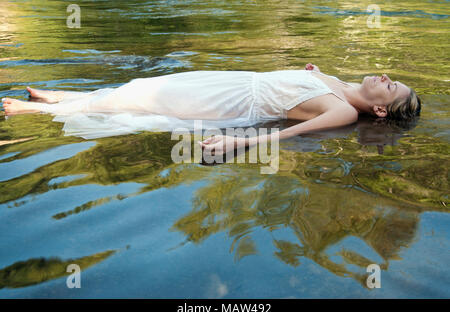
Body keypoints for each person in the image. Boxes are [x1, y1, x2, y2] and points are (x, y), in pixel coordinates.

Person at [1, 63, 421, 154]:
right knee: (146, 85)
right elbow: (302, 84)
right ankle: (65, 99)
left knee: (145, 103)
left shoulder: (345, 113)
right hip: (233, 79)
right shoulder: (338, 83)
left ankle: (36, 112)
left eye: (391, 86)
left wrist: (242, 144)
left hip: (231, 102)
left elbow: (289, 133)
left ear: (381, 112)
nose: (384, 76)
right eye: (389, 75)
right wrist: (310, 72)